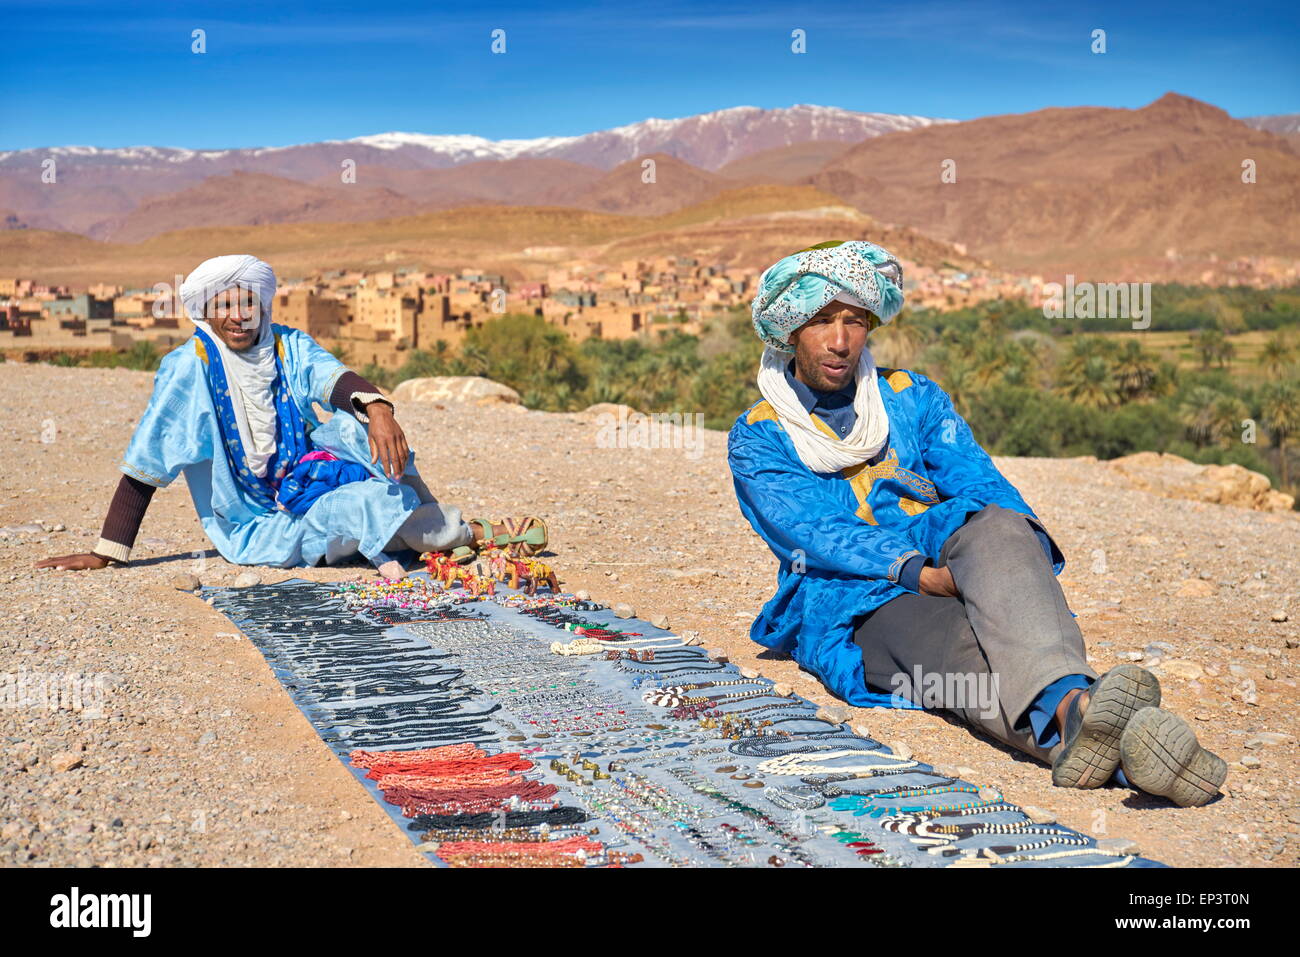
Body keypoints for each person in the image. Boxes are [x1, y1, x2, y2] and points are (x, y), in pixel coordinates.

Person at [727, 239, 1227, 807]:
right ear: (790, 331)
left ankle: (1079, 712)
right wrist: (917, 573)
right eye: (822, 321)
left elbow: (976, 479)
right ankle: (1108, 740)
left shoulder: (911, 397)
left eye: (855, 321)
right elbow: (812, 531)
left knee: (1001, 526)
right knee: (955, 645)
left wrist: (1009, 553)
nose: (840, 341)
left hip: (941, 545)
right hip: (846, 594)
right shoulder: (759, 435)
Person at [36, 254, 547, 580]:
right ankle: (467, 534)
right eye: (224, 305)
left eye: (248, 304)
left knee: (356, 428)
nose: (238, 317)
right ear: (205, 311)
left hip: (314, 477)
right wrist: (108, 551)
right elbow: (149, 460)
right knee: (367, 504)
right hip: (263, 523)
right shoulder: (188, 368)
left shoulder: (286, 344)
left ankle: (426, 525)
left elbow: (331, 377)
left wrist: (378, 407)